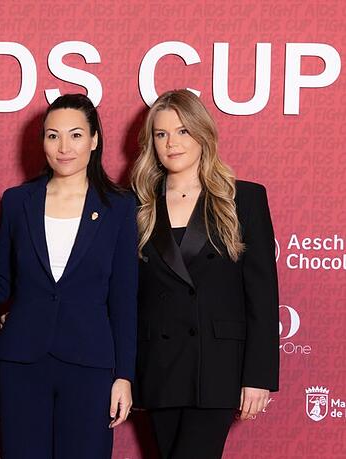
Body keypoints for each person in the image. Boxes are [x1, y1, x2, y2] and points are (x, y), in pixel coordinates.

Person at [130, 89, 279, 459]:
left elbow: (261, 295)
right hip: (160, 367)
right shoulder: (136, 205)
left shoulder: (243, 198)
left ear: (202, 134)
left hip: (216, 367)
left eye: (182, 131)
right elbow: (124, 294)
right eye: (161, 134)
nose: (171, 143)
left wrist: (258, 376)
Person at [0, 94, 137, 458]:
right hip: (23, 359)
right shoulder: (16, 201)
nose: (63, 147)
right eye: (52, 136)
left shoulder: (119, 207)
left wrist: (124, 375)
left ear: (94, 140)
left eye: (75, 135)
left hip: (90, 362)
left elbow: (123, 297)